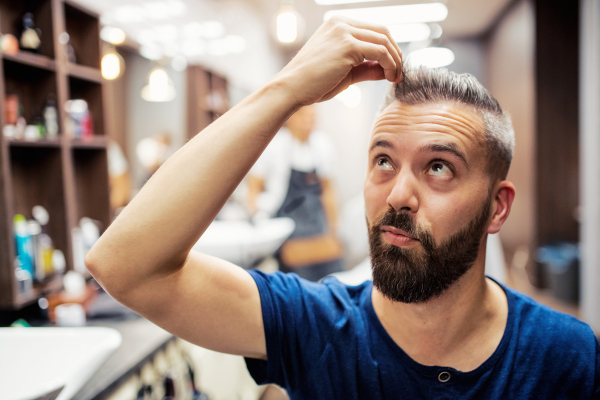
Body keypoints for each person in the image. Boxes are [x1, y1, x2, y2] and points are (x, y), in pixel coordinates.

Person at [86, 17, 600, 399]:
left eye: (439, 167)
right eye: (383, 160)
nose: (398, 194)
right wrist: (286, 91)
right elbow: (124, 266)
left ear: (497, 207)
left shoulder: (565, 357)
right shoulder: (313, 326)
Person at [247, 104, 344, 281]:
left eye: (312, 117)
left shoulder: (323, 145)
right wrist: (257, 216)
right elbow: (253, 188)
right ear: (291, 118)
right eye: (304, 116)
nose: (309, 122)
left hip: (317, 227)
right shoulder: (274, 146)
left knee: (335, 278)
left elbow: (328, 192)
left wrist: (334, 230)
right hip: (288, 231)